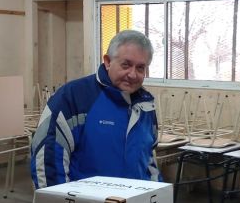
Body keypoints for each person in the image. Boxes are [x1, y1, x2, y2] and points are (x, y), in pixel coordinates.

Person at [30, 30, 160, 188]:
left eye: (140, 68)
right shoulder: (73, 97)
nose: (132, 74)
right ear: (107, 61)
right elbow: (47, 161)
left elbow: (149, 161)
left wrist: (155, 196)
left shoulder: (146, 106)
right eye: (126, 65)